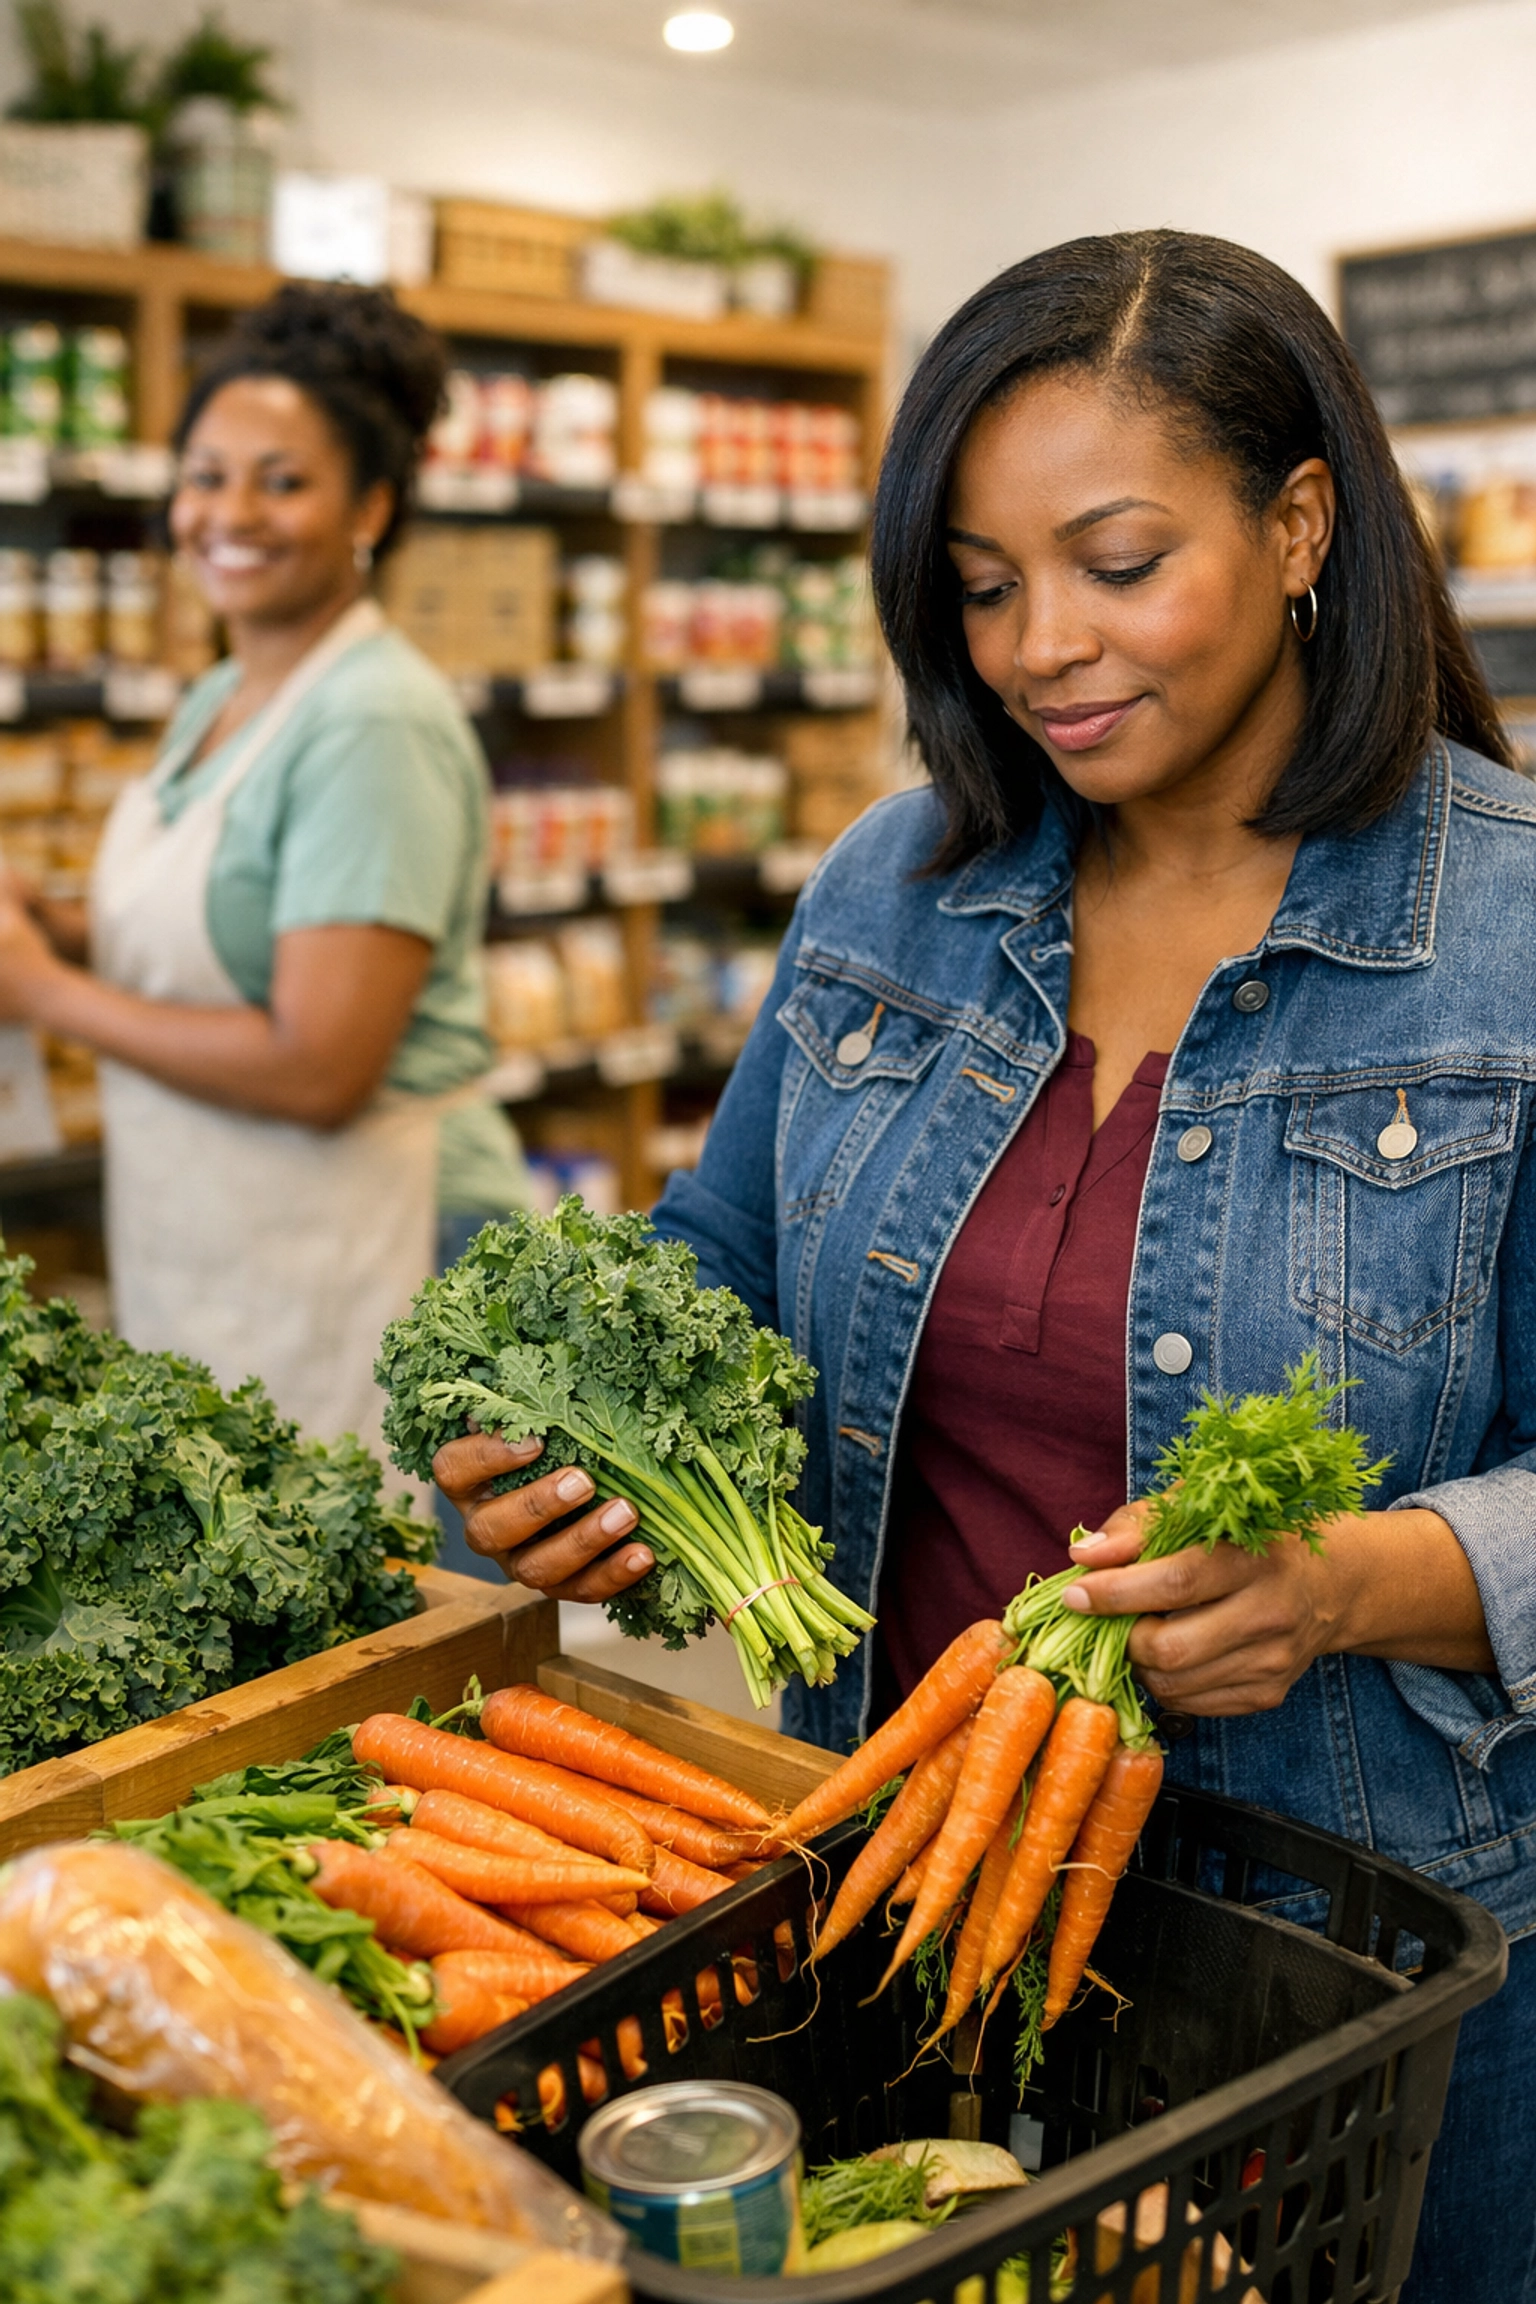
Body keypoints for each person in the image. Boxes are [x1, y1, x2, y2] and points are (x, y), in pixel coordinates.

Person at [434, 232, 1536, 2297]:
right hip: (895, 1879)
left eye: (1117, 563)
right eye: (984, 579)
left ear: (1303, 526)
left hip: (1352, 1960)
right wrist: (573, 1470)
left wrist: (1346, 1585)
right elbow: (722, 1262)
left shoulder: (1512, 948)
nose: (1041, 646)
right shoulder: (903, 880)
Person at [0, 282, 527, 1460]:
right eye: (204, 474)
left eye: (281, 481)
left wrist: (44, 992)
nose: (227, 511)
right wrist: (66, 925)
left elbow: (319, 1066)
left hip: (384, 1240)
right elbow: (233, 924)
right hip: (247, 1235)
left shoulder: (371, 719)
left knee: (410, 1631)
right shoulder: (222, 700)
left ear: (371, 508)